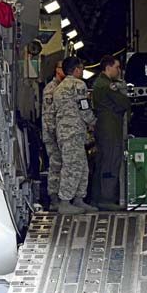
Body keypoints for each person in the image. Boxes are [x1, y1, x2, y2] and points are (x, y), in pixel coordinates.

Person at [53, 56, 98, 214]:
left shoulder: (58, 88)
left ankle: (79, 199)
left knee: (82, 166)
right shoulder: (78, 85)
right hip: (73, 132)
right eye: (81, 68)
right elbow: (84, 107)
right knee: (72, 167)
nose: (82, 71)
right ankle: (65, 202)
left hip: (64, 132)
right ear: (77, 69)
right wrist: (93, 121)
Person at [91, 55, 131, 210]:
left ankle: (96, 198)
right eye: (117, 67)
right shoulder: (106, 85)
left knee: (102, 162)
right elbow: (124, 102)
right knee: (111, 162)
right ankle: (106, 199)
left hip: (104, 128)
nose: (119, 70)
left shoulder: (99, 83)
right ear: (108, 68)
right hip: (110, 129)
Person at [41, 60, 65, 211]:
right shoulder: (51, 88)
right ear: (57, 70)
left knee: (62, 165)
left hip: (60, 134)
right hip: (53, 135)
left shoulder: (62, 87)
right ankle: (54, 198)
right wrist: (55, 135)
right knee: (55, 165)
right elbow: (49, 116)